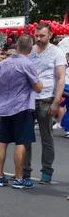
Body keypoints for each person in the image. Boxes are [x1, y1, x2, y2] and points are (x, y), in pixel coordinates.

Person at [0, 36, 43, 189]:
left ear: (16, 45)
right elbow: (38, 88)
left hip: (4, 107)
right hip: (21, 107)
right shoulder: (27, 64)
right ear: (30, 48)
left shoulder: (2, 64)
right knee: (21, 142)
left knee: (3, 141)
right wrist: (37, 77)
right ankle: (19, 179)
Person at [25, 23, 67, 184]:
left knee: (46, 137)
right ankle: (25, 170)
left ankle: (46, 171)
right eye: (36, 36)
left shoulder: (57, 52)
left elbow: (61, 78)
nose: (38, 39)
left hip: (46, 98)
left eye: (42, 36)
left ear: (50, 35)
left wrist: (56, 102)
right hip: (28, 99)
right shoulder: (29, 50)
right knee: (25, 137)